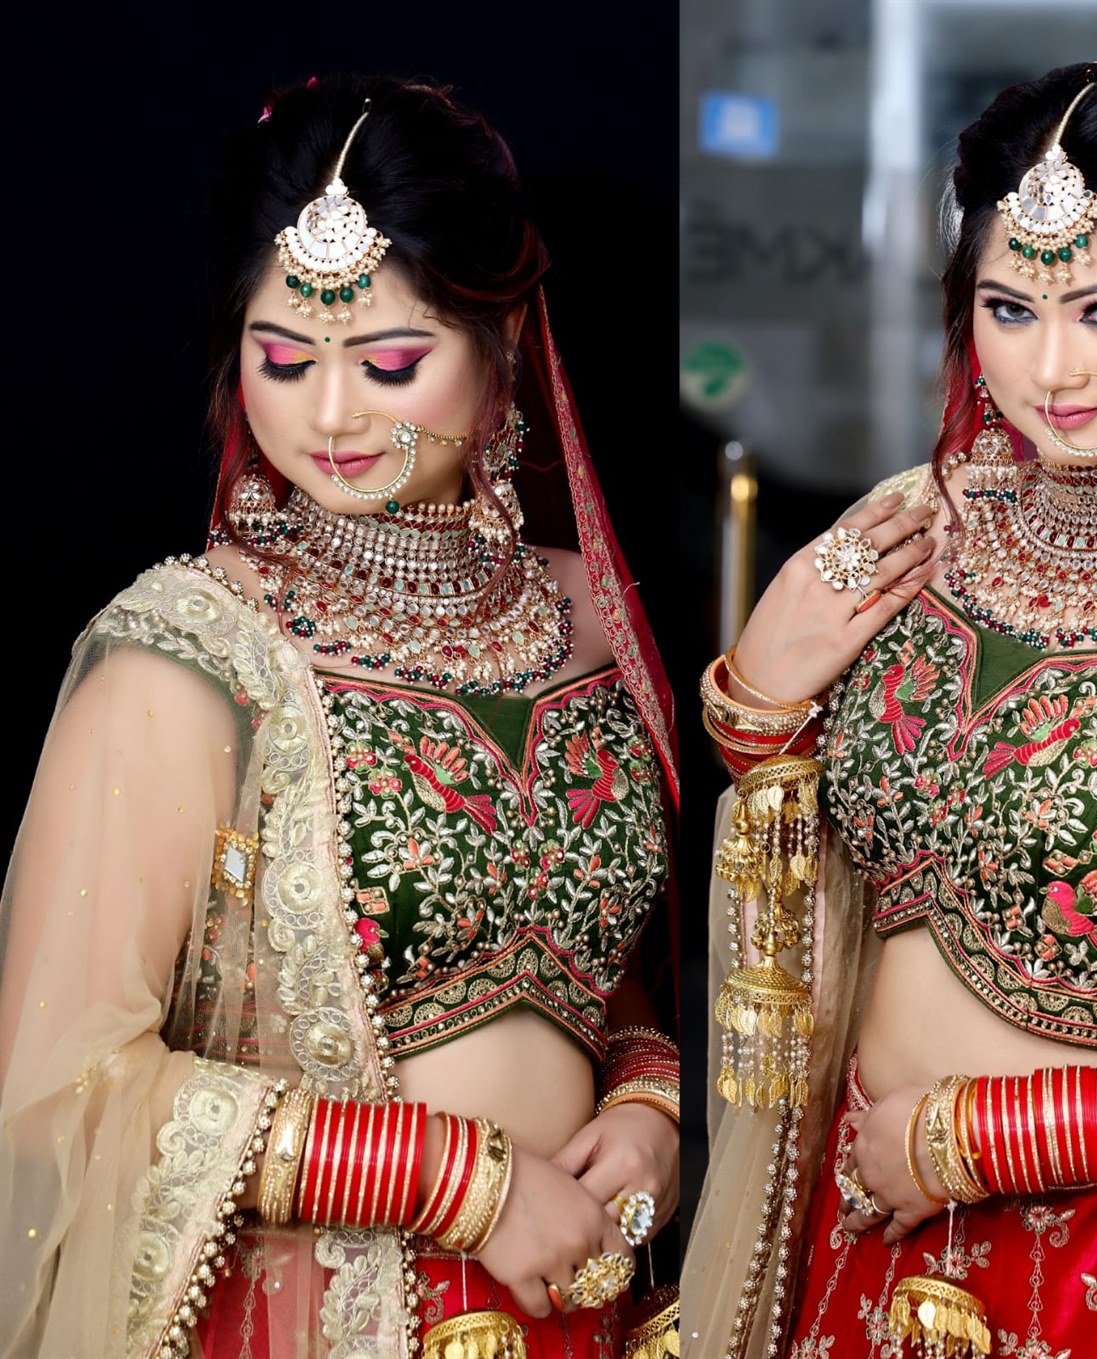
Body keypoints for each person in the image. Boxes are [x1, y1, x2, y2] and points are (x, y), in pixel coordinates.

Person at [0, 74, 681, 1358]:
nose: (329, 415)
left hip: (582, 1307)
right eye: (282, 357)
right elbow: (69, 1093)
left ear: (504, 338)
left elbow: (607, 964)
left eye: (389, 362)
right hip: (314, 1318)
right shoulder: (188, 661)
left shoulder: (591, 617)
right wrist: (461, 1184)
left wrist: (652, 1108)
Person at [685, 61, 1097, 1359]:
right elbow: (808, 828)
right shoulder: (916, 526)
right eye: (1007, 307)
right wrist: (755, 689)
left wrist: (969, 1139)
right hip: (861, 1231)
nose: (1048, 369)